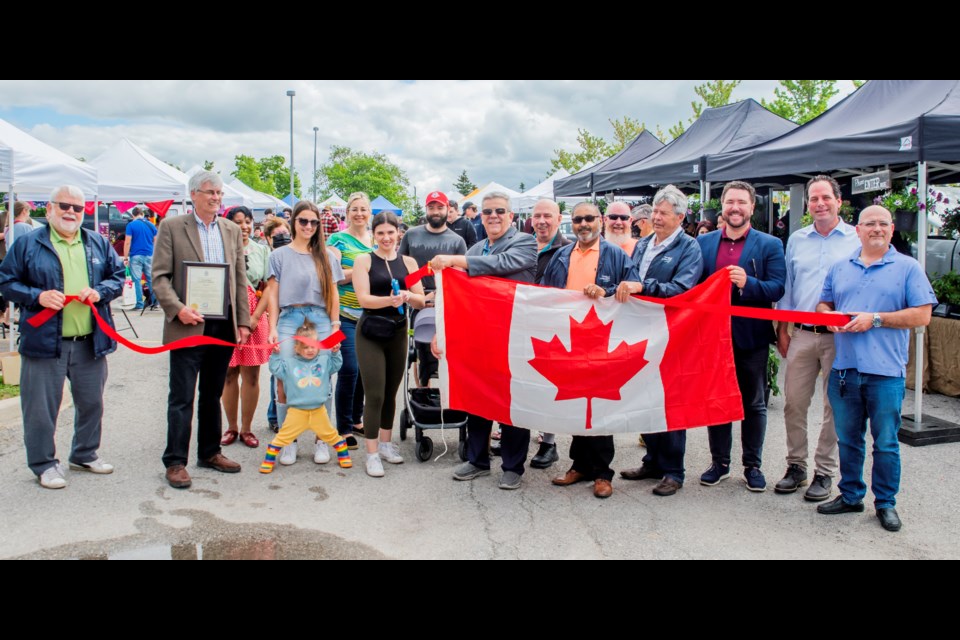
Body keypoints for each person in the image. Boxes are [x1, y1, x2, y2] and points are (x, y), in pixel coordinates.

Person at [816, 205, 937, 532]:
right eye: (869, 223)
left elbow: (922, 315)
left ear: (892, 230)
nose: (876, 229)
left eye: (883, 224)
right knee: (849, 439)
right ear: (858, 229)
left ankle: (885, 503)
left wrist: (877, 318)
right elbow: (823, 304)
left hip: (886, 374)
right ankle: (851, 495)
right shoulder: (841, 267)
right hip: (845, 370)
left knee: (885, 442)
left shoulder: (908, 267)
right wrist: (830, 318)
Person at [0, 185, 125, 489]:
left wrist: (101, 292)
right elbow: (6, 282)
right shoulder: (28, 244)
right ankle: (44, 464)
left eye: (78, 208)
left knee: (92, 402)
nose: (71, 212)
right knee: (41, 409)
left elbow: (117, 278)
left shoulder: (96, 242)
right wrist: (37, 296)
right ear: (50, 209)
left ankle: (84, 453)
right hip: (45, 343)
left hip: (89, 341)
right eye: (64, 206)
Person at [431, 191, 537, 490]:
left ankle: (513, 465)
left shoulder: (524, 242)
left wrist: (455, 259)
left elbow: (503, 263)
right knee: (478, 396)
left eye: (499, 211)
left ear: (511, 215)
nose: (493, 216)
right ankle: (478, 460)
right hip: (480, 336)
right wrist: (442, 330)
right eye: (487, 211)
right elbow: (454, 294)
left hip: (514, 333)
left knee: (513, 399)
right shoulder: (476, 246)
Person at [152, 171, 251, 489]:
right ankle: (175, 461)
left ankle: (209, 452)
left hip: (222, 325)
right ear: (193, 194)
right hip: (187, 324)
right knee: (181, 396)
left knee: (212, 393)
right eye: (210, 192)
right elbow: (160, 277)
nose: (216, 198)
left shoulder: (232, 230)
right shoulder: (171, 227)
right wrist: (177, 308)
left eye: (220, 193)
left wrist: (244, 323)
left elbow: (239, 279)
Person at [774, 176, 861, 502]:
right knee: (794, 403)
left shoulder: (856, 238)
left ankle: (824, 472)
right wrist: (782, 330)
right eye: (814, 199)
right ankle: (795, 466)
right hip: (802, 335)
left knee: (834, 407)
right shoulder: (797, 239)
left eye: (826, 198)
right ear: (808, 204)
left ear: (840, 202)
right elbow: (789, 290)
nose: (820, 204)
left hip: (842, 338)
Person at [696, 180, 785, 492]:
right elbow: (695, 289)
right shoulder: (703, 243)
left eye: (742, 203)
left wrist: (749, 283)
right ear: (722, 206)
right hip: (712, 338)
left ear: (752, 207)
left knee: (754, 404)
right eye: (730, 202)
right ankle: (719, 462)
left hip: (751, 337)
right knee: (717, 399)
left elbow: (777, 288)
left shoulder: (770, 244)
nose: (735, 208)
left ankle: (752, 465)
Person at [543, 202, 637, 499]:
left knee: (599, 406)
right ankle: (579, 465)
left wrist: (607, 292)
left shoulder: (616, 254)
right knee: (575, 404)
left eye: (589, 219)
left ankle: (601, 472)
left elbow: (633, 287)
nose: (584, 224)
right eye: (578, 219)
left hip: (601, 340)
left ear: (600, 220)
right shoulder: (561, 255)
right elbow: (546, 293)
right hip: (571, 339)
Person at [616, 185, 705, 496]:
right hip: (639, 329)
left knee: (669, 400)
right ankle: (652, 459)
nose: (656, 217)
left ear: (680, 217)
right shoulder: (642, 244)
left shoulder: (689, 248)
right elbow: (628, 276)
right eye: (654, 211)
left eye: (663, 213)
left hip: (670, 332)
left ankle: (673, 470)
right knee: (641, 396)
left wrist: (643, 287)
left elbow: (683, 289)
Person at [266, 200, 344, 465]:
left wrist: (335, 326)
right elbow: (273, 293)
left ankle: (323, 440)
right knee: (284, 379)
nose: (308, 226)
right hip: (289, 316)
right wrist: (272, 328)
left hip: (321, 318)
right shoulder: (278, 256)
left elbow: (334, 294)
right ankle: (289, 440)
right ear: (293, 222)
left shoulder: (327, 256)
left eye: (313, 222)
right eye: (303, 221)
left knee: (323, 377)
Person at [353, 212, 426, 476]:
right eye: (380, 233)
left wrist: (407, 295)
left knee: (391, 393)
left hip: (397, 332)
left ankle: (385, 443)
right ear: (374, 234)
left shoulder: (408, 262)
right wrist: (392, 300)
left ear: (398, 234)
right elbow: (363, 299)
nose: (386, 238)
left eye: (390, 232)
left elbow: (420, 299)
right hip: (370, 331)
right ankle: (371, 453)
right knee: (374, 393)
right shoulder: (364, 260)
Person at [261, 320, 352, 473]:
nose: (310, 350)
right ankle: (270, 458)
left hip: (318, 411)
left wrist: (336, 352)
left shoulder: (324, 361)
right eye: (305, 347)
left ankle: (343, 454)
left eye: (313, 346)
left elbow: (336, 366)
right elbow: (275, 369)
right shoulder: (289, 363)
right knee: (283, 436)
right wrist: (275, 355)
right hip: (296, 411)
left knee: (331, 435)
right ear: (296, 348)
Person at [398, 191, 466, 386]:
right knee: (420, 349)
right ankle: (422, 392)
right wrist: (417, 294)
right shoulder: (411, 234)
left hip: (446, 302)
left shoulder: (456, 241)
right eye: (431, 207)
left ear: (448, 209)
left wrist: (440, 293)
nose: (435, 212)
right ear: (426, 209)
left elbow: (461, 273)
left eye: (440, 207)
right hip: (417, 301)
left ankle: (446, 395)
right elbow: (400, 266)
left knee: (445, 350)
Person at [220, 206, 272, 450]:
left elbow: (269, 286)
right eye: (238, 221)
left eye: (248, 221)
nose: (244, 226)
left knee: (251, 374)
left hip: (254, 316)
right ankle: (230, 427)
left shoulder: (262, 250)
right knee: (228, 373)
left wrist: (255, 317)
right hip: (226, 317)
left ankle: (247, 428)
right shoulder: (221, 248)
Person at [526, 198, 572, 468]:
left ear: (558, 218)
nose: (542, 221)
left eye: (548, 216)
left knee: (551, 384)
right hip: (523, 322)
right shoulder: (522, 245)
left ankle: (549, 443)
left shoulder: (568, 248)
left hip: (554, 326)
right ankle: (514, 432)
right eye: (537, 216)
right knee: (523, 380)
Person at [329, 193, 374, 447]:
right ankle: (343, 427)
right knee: (348, 369)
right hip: (343, 315)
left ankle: (357, 419)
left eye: (363, 209)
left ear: (370, 213)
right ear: (347, 213)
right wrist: (362, 270)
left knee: (365, 371)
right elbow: (331, 274)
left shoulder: (375, 239)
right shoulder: (337, 240)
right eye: (354, 209)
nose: (359, 213)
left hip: (371, 315)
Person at [123, 207, 159, 310]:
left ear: (133, 215)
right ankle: (155, 302)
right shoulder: (151, 225)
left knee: (137, 280)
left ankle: (139, 304)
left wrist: (125, 258)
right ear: (142, 214)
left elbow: (128, 242)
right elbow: (156, 241)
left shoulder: (131, 225)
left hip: (135, 256)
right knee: (151, 279)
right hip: (149, 255)